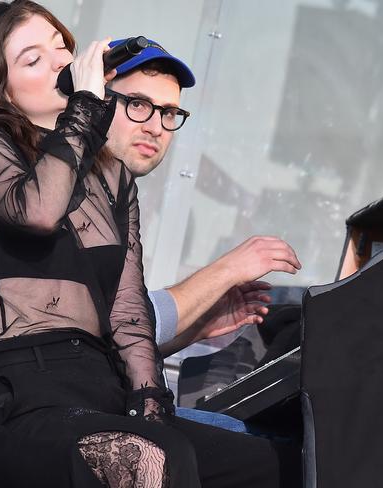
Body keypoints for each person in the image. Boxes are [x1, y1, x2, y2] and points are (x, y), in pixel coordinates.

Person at [0, 1, 295, 487]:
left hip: (99, 390)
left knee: (280, 468)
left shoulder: (113, 176)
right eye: (33, 59)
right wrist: (83, 109)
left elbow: (126, 308)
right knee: (150, 458)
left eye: (61, 49)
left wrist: (150, 403)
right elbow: (37, 211)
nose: (59, 62)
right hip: (23, 397)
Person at [103, 40, 302, 431]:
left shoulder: (118, 196)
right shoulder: (69, 191)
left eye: (169, 112)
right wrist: (228, 269)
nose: (155, 126)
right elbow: (99, 328)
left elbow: (111, 338)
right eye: (138, 104)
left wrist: (196, 325)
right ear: (97, 97)